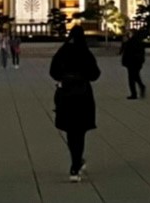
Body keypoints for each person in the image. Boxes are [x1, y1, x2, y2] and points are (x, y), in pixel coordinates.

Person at [50, 25, 101, 182]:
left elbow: (53, 72)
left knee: (71, 132)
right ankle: (76, 163)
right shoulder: (85, 53)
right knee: (80, 131)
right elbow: (95, 74)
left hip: (66, 96)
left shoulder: (63, 51)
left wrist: (64, 77)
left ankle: (75, 162)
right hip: (83, 96)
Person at [119, 28, 146, 99]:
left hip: (132, 62)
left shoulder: (131, 41)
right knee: (135, 76)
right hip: (136, 62)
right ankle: (141, 86)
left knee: (131, 78)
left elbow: (126, 52)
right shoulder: (138, 41)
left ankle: (134, 93)